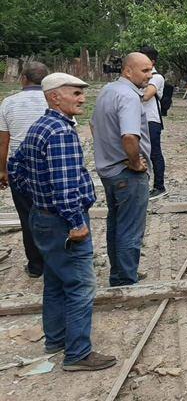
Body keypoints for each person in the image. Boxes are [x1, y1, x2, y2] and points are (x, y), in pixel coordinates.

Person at [8, 73, 117, 371]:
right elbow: (65, 186)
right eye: (76, 93)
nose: (82, 98)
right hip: (63, 222)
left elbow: (14, 167)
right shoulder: (60, 133)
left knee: (55, 279)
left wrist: (36, 198)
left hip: (42, 217)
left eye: (82, 93)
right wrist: (75, 222)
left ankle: (55, 338)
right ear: (55, 96)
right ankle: (78, 353)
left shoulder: (39, 127)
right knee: (81, 285)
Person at [92, 52, 152, 287]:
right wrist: (135, 162)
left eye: (150, 70)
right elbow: (129, 135)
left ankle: (119, 273)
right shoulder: (128, 96)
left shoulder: (108, 91)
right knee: (130, 228)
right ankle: (126, 281)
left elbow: (93, 125)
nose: (149, 75)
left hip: (109, 171)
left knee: (116, 224)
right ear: (128, 71)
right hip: (127, 173)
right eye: (144, 71)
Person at [0, 61, 49, 277]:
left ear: (23, 78)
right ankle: (55, 263)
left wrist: (2, 171)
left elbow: (3, 142)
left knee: (28, 216)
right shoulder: (54, 99)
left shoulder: (8, 103)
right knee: (53, 213)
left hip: (20, 168)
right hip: (49, 166)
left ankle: (36, 266)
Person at [140, 46, 167, 200]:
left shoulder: (157, 77)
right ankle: (144, 185)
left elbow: (146, 95)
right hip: (138, 119)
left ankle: (160, 186)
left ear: (152, 61)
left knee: (154, 153)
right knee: (141, 154)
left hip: (151, 120)